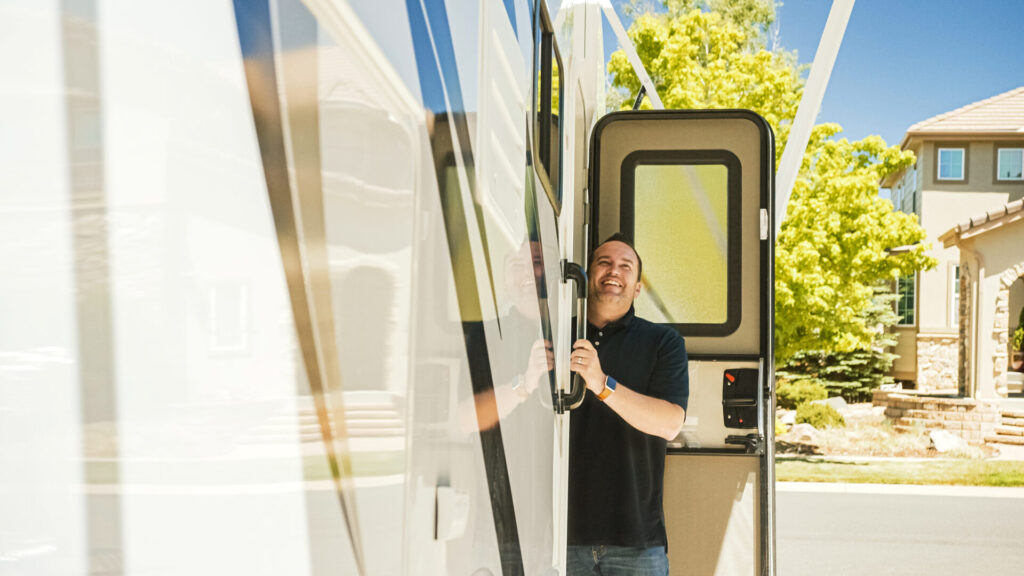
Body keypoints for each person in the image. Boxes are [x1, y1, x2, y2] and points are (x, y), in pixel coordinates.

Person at [567, 233, 689, 576]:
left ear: (637, 288)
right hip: (559, 534)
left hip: (637, 540)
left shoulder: (663, 342)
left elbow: (669, 423)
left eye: (625, 266)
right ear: (587, 275)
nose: (613, 271)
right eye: (603, 263)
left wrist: (601, 384)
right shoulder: (558, 336)